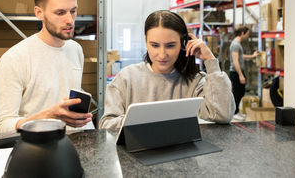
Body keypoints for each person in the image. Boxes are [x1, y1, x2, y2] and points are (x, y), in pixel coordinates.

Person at [99, 10, 235, 130]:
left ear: (183, 44)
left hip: (183, 155)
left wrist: (210, 61)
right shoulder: (126, 78)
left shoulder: (195, 81)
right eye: (155, 45)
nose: (162, 54)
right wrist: (146, 119)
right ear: (146, 42)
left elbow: (222, 115)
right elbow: (107, 125)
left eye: (170, 46)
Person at [0, 0, 92, 133]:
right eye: (60, 13)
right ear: (39, 13)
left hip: (73, 144)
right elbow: (1, 127)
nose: (70, 20)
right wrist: (49, 115)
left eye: (73, 11)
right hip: (35, 149)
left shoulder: (76, 50)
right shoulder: (14, 59)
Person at [229, 26, 259, 121]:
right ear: (242, 33)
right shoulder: (235, 45)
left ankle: (236, 111)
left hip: (237, 72)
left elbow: (241, 56)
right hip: (235, 72)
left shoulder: (237, 44)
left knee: (240, 92)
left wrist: (253, 56)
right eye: (247, 34)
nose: (247, 36)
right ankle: (234, 112)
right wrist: (241, 75)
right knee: (237, 93)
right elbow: (235, 61)